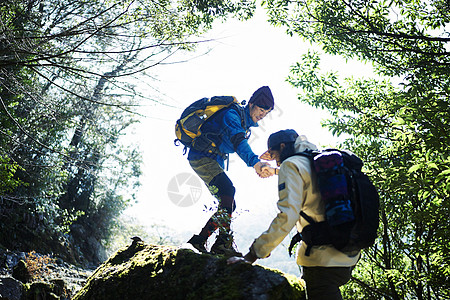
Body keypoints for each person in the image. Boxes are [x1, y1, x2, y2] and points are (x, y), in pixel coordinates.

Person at [228, 129, 360, 300]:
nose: (276, 161)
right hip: (347, 251)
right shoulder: (315, 159)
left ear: (283, 146)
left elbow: (288, 215)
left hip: (323, 259)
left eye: (275, 155)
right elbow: (307, 178)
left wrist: (254, 253)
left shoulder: (290, 165)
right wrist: (275, 171)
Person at [186, 86, 275, 256]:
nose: (263, 114)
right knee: (228, 191)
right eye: (261, 109)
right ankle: (222, 243)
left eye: (267, 112)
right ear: (251, 104)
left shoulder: (243, 122)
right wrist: (255, 162)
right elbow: (238, 141)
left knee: (228, 202)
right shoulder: (232, 115)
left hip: (211, 159)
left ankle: (201, 239)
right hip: (202, 157)